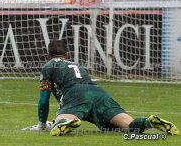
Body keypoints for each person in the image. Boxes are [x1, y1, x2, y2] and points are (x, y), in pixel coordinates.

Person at [37, 39, 180, 136]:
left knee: (59, 121)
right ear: (67, 54)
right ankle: (149, 121)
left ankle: (67, 121)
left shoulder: (48, 66)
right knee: (128, 126)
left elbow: (44, 100)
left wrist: (42, 124)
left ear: (48, 55)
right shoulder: (77, 65)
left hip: (76, 94)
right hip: (98, 92)